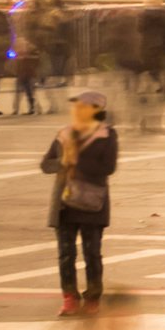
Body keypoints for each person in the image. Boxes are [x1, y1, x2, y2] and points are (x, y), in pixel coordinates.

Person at [44, 89, 114, 311]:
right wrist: (63, 161)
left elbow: (108, 167)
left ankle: (93, 297)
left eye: (83, 106)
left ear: (96, 110)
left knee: (92, 253)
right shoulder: (64, 134)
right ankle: (69, 297)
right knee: (66, 254)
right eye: (76, 106)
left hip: (92, 204)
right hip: (64, 204)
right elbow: (46, 165)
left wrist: (77, 161)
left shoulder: (106, 135)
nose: (77, 110)